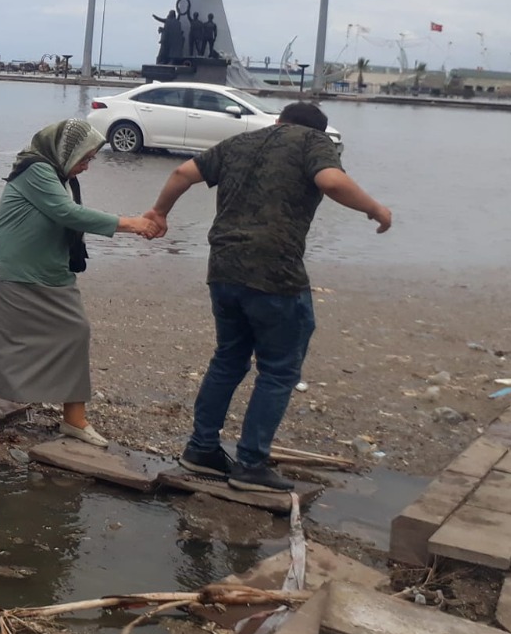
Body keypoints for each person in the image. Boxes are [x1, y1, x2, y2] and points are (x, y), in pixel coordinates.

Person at [144, 102, 392, 493]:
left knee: (228, 358)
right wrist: (376, 209)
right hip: (274, 273)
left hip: (223, 267)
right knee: (278, 369)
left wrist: (159, 212)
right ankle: (251, 464)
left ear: (278, 121)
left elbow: (181, 172)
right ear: (318, 131)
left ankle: (202, 449)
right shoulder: (314, 142)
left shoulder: (241, 141)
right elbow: (331, 181)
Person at [0, 120, 159, 445]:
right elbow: (67, 213)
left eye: (92, 158)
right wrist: (132, 224)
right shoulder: (36, 169)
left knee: (74, 330)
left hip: (49, 270)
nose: (87, 164)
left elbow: (65, 215)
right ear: (65, 151)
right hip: (10, 269)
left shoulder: (58, 176)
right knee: (2, 338)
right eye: (85, 157)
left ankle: (74, 419)